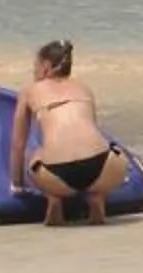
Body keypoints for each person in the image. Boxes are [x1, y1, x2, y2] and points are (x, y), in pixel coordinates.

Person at [11, 39, 123, 227]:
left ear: (46, 66)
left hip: (57, 174)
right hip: (105, 168)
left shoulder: (29, 91)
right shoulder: (83, 88)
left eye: (35, 67)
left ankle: (54, 198)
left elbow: (18, 144)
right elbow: (92, 128)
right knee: (110, 148)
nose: (34, 72)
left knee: (36, 154)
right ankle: (97, 196)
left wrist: (18, 185)